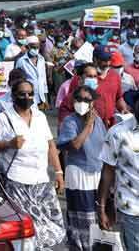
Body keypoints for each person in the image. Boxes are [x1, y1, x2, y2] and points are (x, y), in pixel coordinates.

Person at [0, 79, 65, 250]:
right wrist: (9, 144)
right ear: (13, 96)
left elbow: (50, 145)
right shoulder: (4, 118)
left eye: (30, 94)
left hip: (42, 182)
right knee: (25, 231)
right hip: (17, 182)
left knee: (48, 228)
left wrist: (58, 173)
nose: (27, 97)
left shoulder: (40, 117)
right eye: (22, 94)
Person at [57, 86, 106, 251]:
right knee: (83, 217)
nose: (82, 103)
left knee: (97, 216)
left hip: (96, 172)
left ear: (92, 102)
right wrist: (88, 125)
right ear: (73, 101)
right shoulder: (70, 121)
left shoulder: (99, 121)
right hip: (78, 173)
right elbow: (75, 145)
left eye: (86, 100)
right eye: (79, 99)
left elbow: (104, 148)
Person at [97, 95, 139, 250]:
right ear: (134, 105)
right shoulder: (118, 133)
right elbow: (107, 171)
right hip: (132, 210)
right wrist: (101, 207)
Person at [16, 36, 49, 107]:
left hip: (41, 97)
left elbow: (43, 79)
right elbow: (18, 80)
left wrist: (45, 98)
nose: (36, 49)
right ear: (27, 47)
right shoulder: (21, 61)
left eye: (38, 47)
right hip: (28, 97)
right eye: (34, 47)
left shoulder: (41, 59)